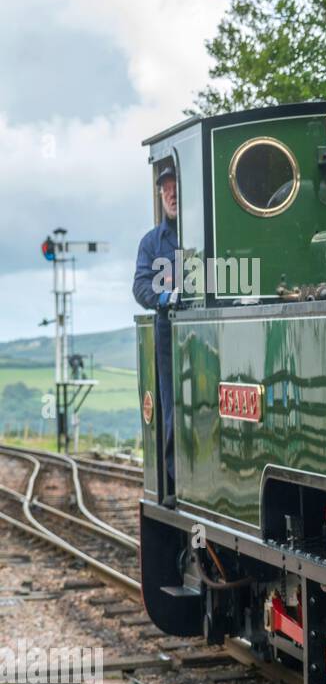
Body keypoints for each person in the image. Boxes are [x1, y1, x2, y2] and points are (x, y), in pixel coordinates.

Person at [133, 164, 180, 495]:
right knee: (171, 401)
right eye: (166, 189)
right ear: (161, 194)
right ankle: (174, 478)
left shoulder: (204, 232)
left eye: (176, 187)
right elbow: (139, 287)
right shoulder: (152, 242)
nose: (172, 194)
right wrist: (163, 297)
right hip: (168, 332)